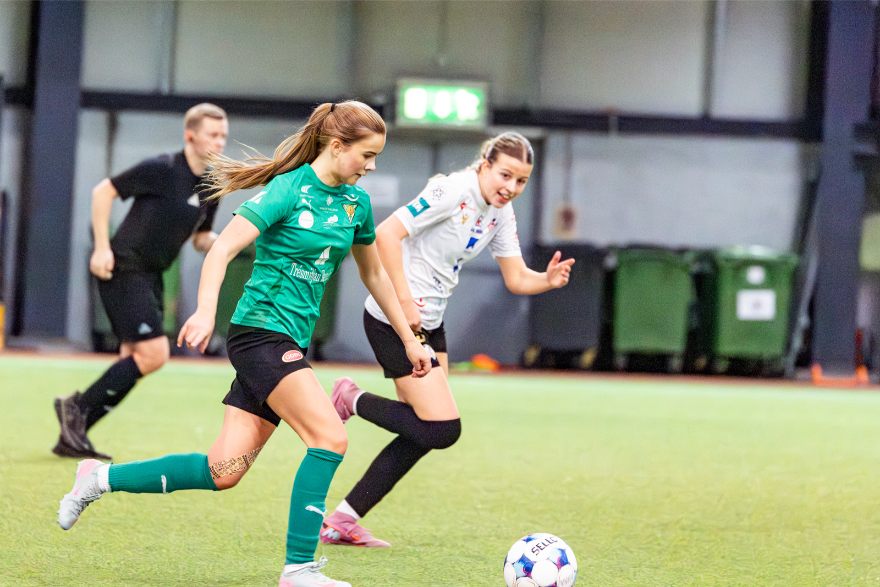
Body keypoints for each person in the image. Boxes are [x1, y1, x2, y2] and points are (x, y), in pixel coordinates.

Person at [57, 101, 431, 587]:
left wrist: (409, 339)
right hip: (260, 335)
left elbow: (375, 274)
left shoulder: (355, 204)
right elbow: (223, 250)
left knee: (223, 470)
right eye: (367, 154)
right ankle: (299, 569)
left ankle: (98, 478)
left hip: (288, 341)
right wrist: (205, 310)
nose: (372, 166)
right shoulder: (288, 189)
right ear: (338, 146)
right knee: (330, 438)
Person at [319, 132, 575, 548]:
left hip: (431, 324)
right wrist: (404, 301)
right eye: (505, 175)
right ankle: (350, 399)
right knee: (442, 429)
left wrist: (546, 280)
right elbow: (385, 235)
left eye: (521, 180)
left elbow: (516, 278)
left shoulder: (500, 211)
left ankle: (343, 520)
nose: (511, 187)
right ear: (485, 165)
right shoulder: (452, 190)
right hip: (395, 320)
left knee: (424, 430)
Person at [52, 103, 230, 460]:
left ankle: (75, 431)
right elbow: (103, 192)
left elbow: (201, 238)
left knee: (134, 359)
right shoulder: (162, 168)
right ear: (190, 136)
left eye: (223, 135)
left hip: (153, 274)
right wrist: (101, 247)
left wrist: (231, 242)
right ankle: (76, 408)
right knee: (154, 353)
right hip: (124, 267)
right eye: (213, 135)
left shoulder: (213, 186)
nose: (220, 142)